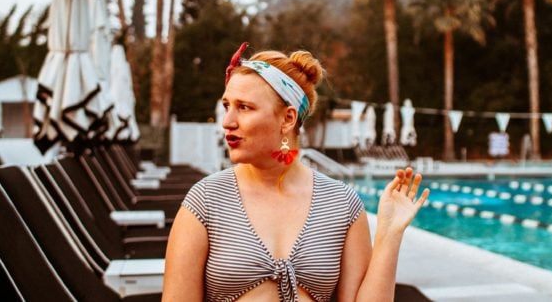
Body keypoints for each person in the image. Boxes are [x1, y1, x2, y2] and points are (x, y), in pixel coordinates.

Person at [162, 42, 429, 302]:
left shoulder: (342, 205)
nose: (228, 122)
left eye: (244, 107)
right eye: (227, 106)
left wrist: (388, 236)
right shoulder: (207, 201)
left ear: (288, 118)